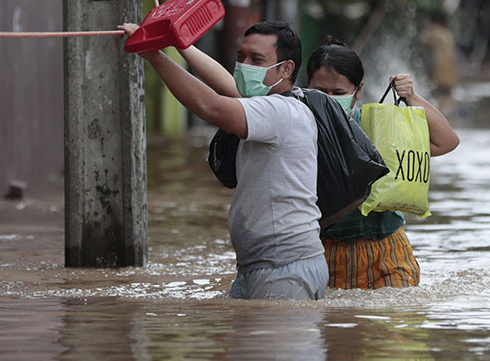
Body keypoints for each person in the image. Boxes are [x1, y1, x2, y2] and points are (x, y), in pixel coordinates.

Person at [118, 21, 329, 300]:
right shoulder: (274, 103)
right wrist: (180, 44)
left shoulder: (280, 111)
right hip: (261, 266)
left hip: (283, 269)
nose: (245, 66)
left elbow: (210, 106)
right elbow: (226, 84)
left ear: (286, 69)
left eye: (257, 60)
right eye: (241, 57)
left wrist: (154, 55)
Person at [306, 37, 459, 289]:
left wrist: (412, 97)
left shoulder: (376, 129)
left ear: (358, 91)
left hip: (387, 252)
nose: (329, 100)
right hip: (326, 252)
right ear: (307, 87)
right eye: (321, 92)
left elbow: (447, 142)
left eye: (339, 93)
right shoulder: (296, 129)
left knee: (395, 313)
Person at [418, 10, 457, 96]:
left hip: (440, 79)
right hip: (449, 78)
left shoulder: (436, 32)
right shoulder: (448, 33)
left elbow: (421, 38)